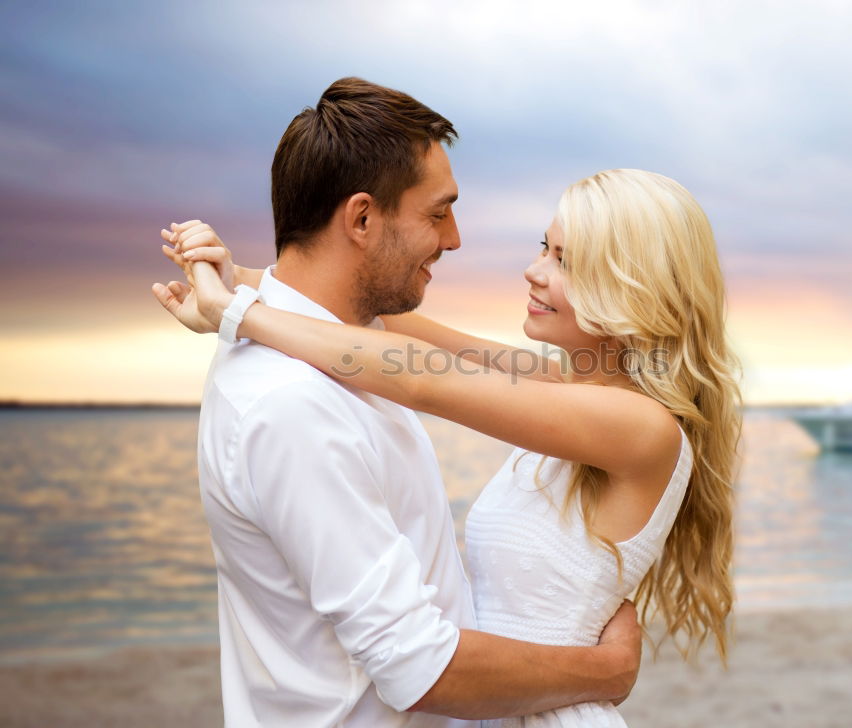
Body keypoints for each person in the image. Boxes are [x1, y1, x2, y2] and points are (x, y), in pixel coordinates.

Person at [155, 163, 743, 725]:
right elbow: (405, 333)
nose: (535, 271)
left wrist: (238, 314)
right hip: (508, 706)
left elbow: (420, 378)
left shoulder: (641, 427)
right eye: (545, 247)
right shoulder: (571, 382)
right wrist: (240, 277)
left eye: (567, 261)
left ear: (632, 286)